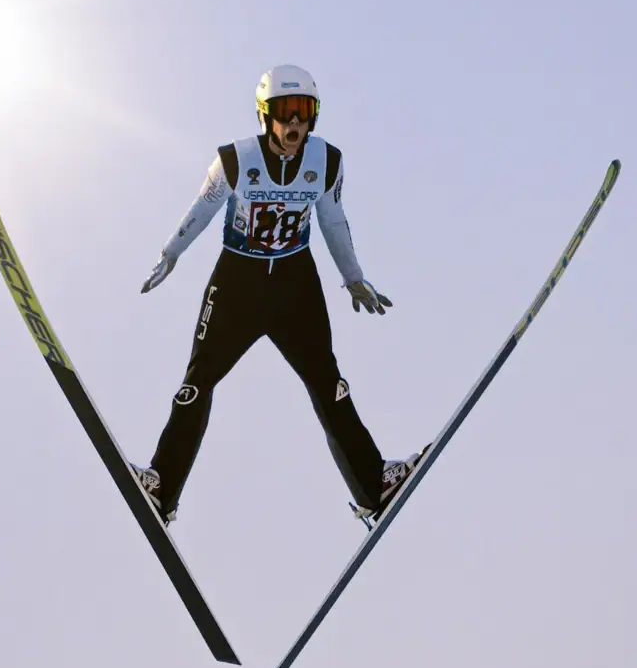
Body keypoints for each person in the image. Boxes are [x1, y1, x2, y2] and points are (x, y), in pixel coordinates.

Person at [130, 64, 428, 527]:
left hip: (294, 284)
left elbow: (332, 220)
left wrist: (352, 277)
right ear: (264, 116)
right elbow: (202, 210)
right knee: (197, 381)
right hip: (238, 283)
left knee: (328, 381)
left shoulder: (325, 162)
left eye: (303, 113)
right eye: (284, 113)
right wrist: (171, 253)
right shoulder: (235, 160)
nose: (294, 124)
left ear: (314, 118)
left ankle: (375, 485)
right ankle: (162, 487)